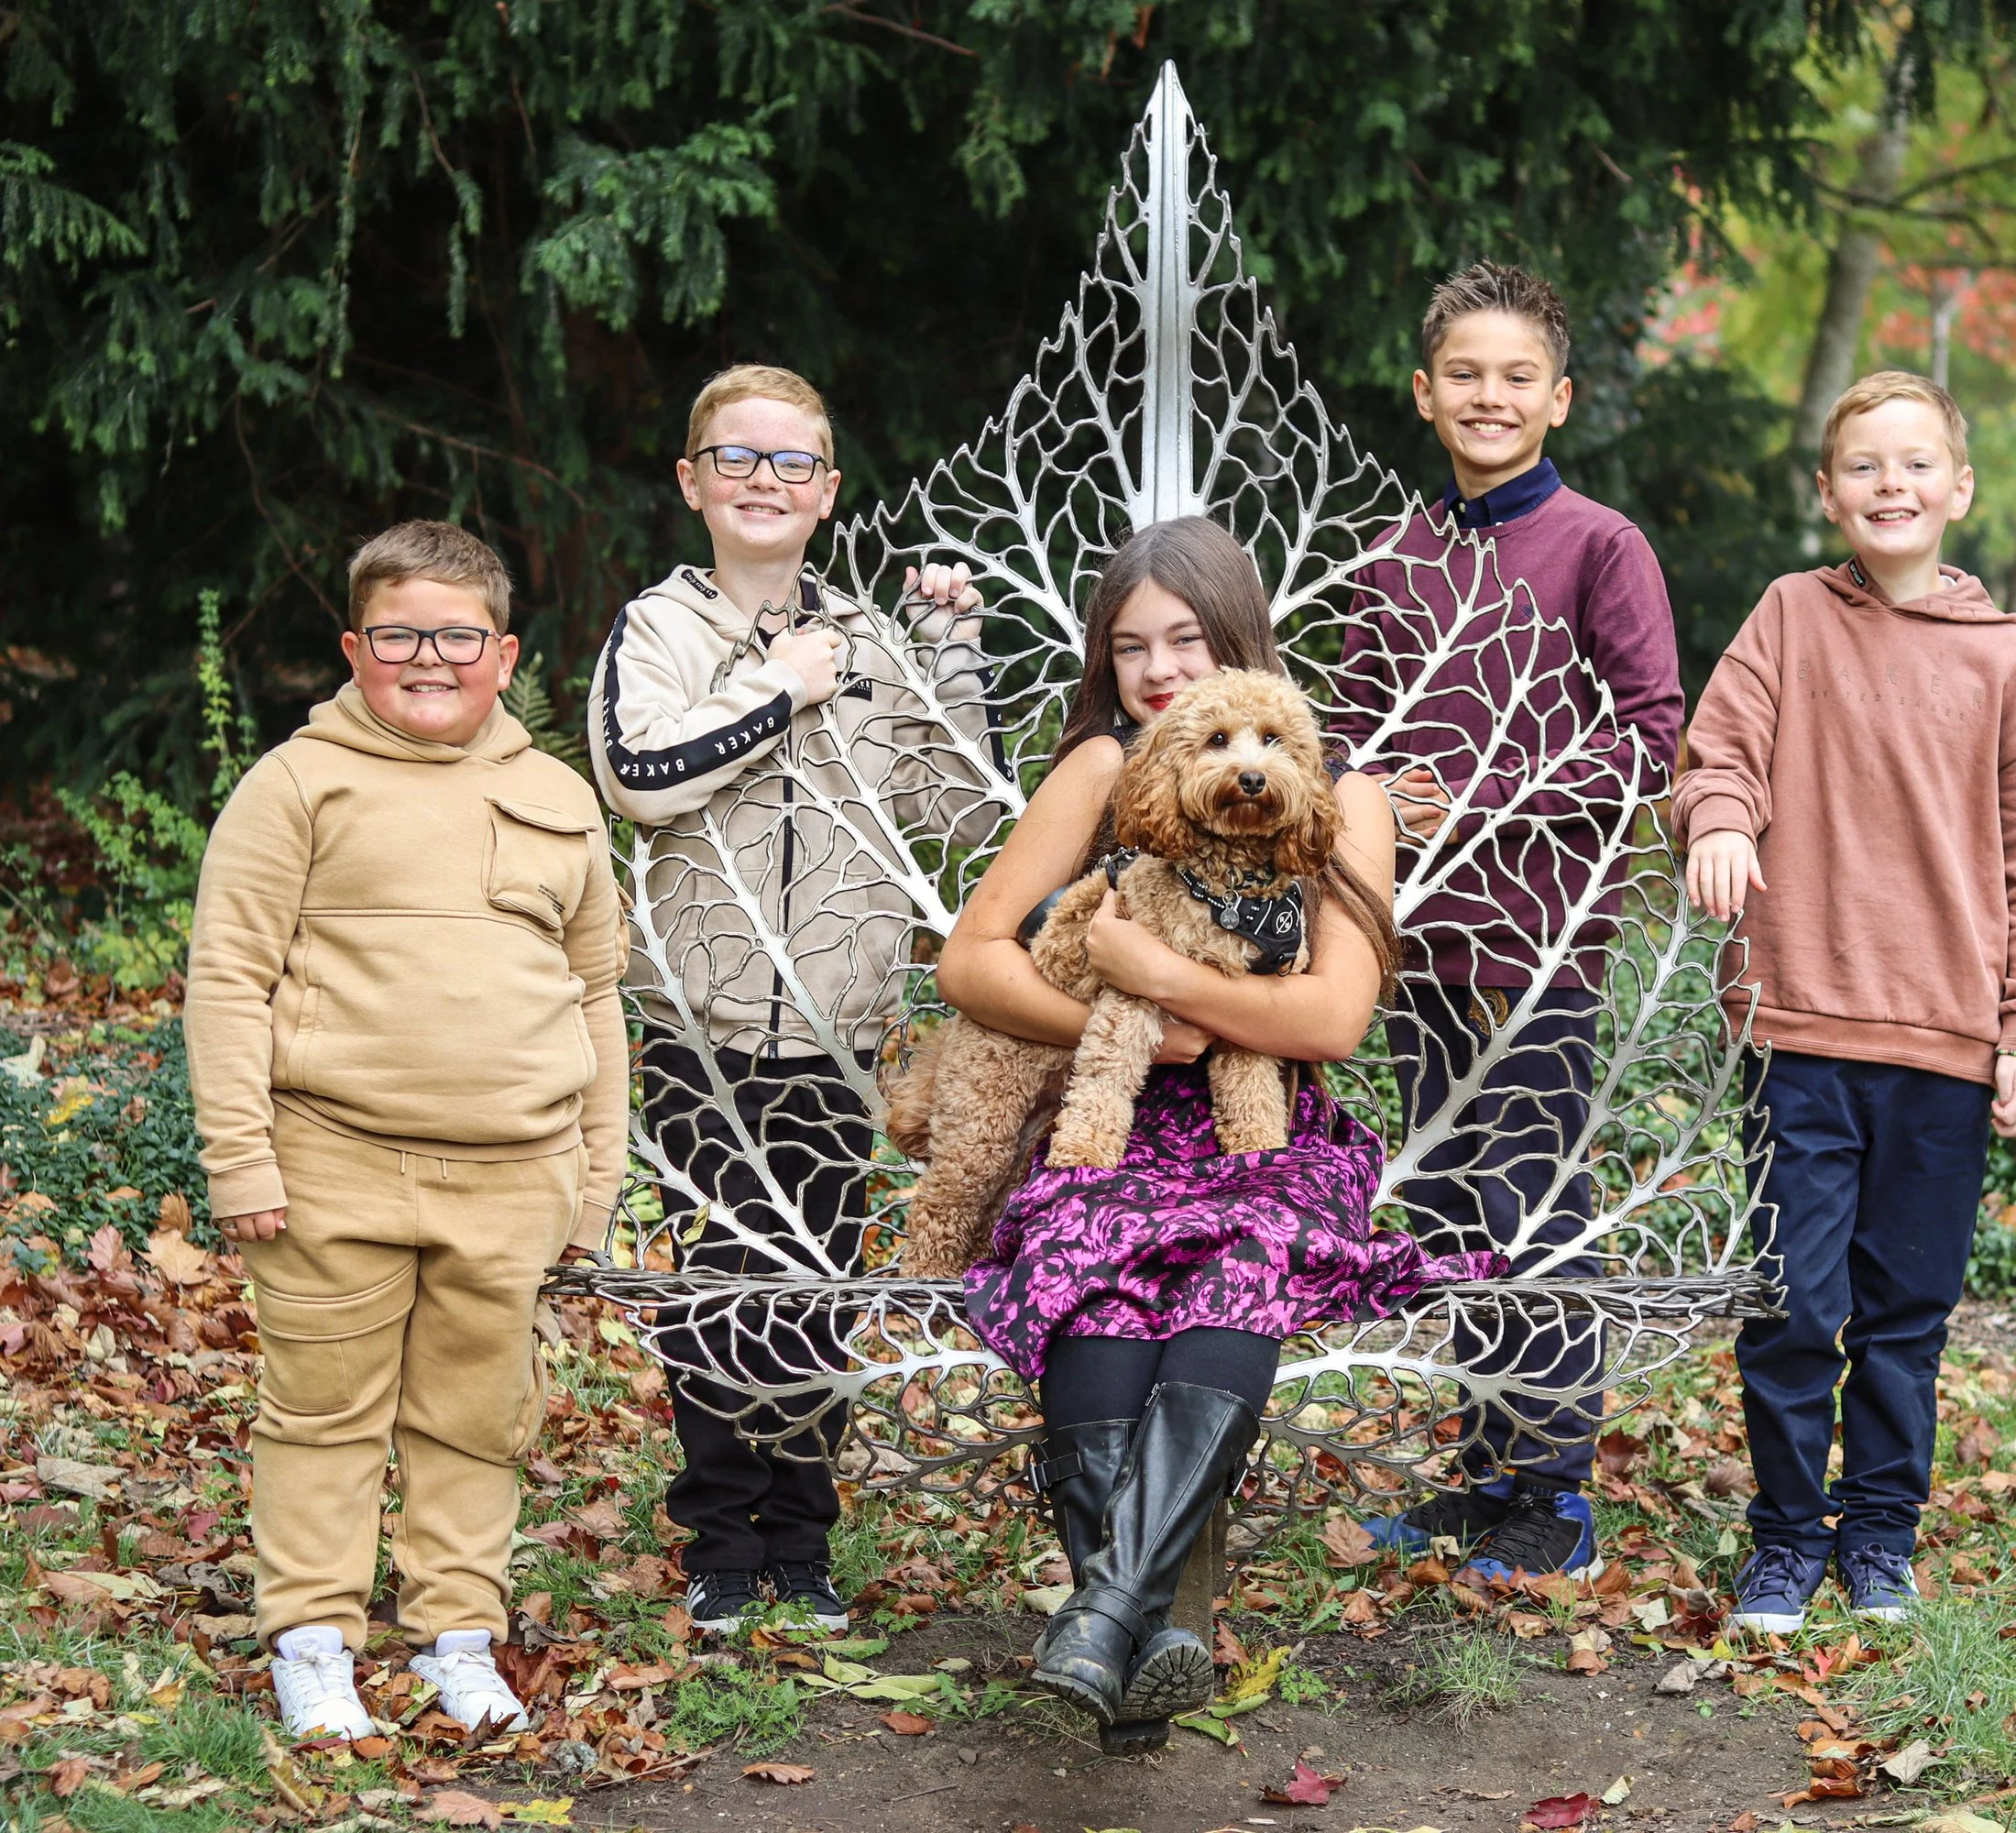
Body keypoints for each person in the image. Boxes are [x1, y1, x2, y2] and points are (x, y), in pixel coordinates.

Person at [939, 516, 1503, 1754]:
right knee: (1089, 1263)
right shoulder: (1102, 771)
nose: (1157, 670)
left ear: (1240, 637)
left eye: (1186, 639)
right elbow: (970, 963)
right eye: (1130, 646)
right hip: (1112, 1119)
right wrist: (1127, 1017)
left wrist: (1166, 984)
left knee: (1241, 1258)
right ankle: (1138, 1636)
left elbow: (1333, 1017)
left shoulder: (1341, 796)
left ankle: (1102, 1619)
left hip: (1266, 1135)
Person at [185, 521, 629, 1740]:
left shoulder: (559, 798)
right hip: (334, 1162)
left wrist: (593, 1185)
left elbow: (597, 996)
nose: (428, 659)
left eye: (457, 638)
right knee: (323, 1412)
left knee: (477, 1420)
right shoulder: (296, 785)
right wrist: (241, 1158)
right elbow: (227, 979)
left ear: (505, 654)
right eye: (397, 636)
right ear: (353, 648)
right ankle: (313, 1642)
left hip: (516, 1176)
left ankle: (457, 1638)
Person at [587, 363, 992, 1638]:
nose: (764, 480)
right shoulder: (658, 629)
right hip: (701, 1029)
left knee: (817, 1282)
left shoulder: (872, 639)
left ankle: (802, 1542)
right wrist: (778, 686)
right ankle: (723, 1542)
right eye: (737, 457)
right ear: (692, 481)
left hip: (839, 1030)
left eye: (792, 463)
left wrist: (950, 653)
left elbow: (961, 814)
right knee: (718, 1282)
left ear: (826, 492)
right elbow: (640, 778)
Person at [1673, 371, 2016, 1631]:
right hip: (1798, 1027)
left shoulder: (2006, 659)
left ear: (1960, 489)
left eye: (1916, 464)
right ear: (1827, 492)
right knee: (1796, 1303)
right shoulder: (1791, 616)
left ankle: (1881, 1539)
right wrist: (1721, 819)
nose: (1890, 484)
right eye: (1864, 465)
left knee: (1904, 1315)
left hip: (1946, 1045)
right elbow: (1719, 749)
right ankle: (1787, 1539)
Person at [1330, 261, 1683, 1581]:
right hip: (1416, 941)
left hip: (1539, 945)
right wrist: (1369, 799)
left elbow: (1650, 743)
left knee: (1535, 1204)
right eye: (1466, 375)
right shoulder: (1394, 558)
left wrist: (1482, 797)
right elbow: (1350, 736)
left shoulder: (1600, 547)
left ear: (1560, 400)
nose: (1491, 396)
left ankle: (1556, 1495)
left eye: (1517, 377)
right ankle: (1486, 1475)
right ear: (1426, 394)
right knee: (1451, 1211)